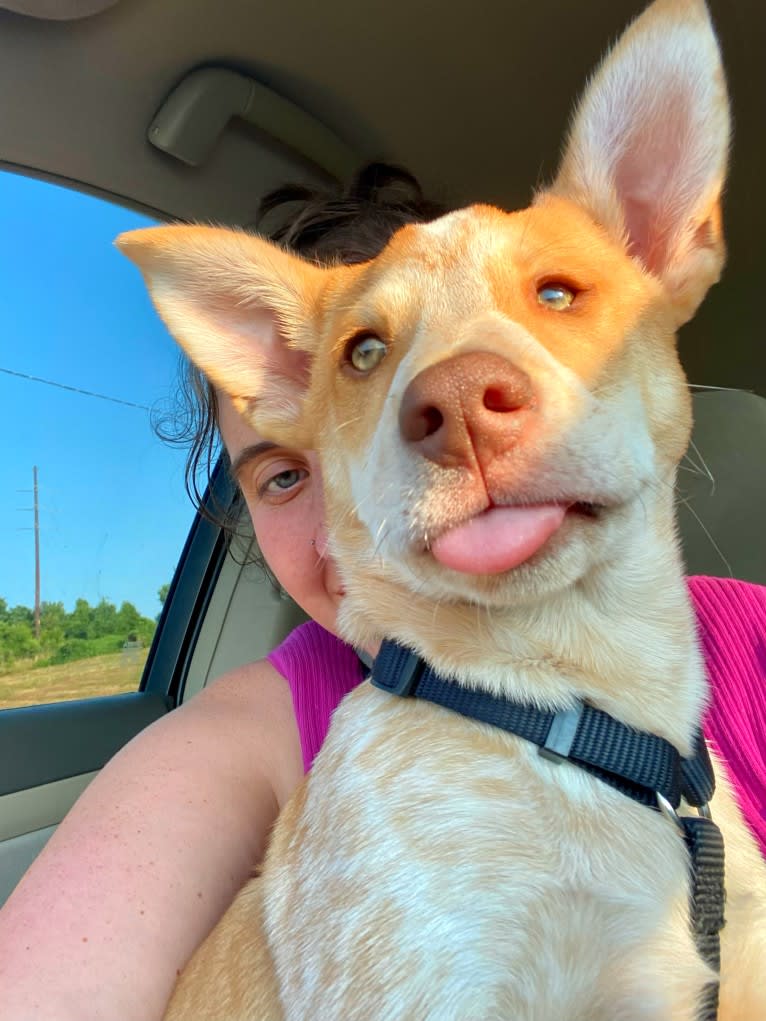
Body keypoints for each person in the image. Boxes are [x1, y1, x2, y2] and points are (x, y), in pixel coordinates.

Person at [0, 166, 763, 1021]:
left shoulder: (742, 640)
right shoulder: (250, 737)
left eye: (551, 295)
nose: (354, 522)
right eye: (287, 476)